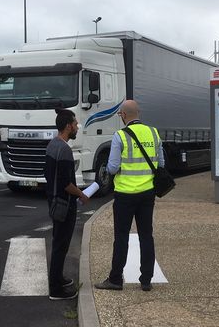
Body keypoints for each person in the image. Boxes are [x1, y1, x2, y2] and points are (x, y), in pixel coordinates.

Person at [95, 100, 164, 292]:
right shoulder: (154, 133)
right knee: (146, 236)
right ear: (138, 113)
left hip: (125, 194)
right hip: (147, 194)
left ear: (123, 115)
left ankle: (116, 279)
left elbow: (112, 167)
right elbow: (161, 163)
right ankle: (146, 280)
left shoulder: (120, 136)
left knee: (122, 237)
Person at [44, 109, 89, 300]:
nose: (77, 127)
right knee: (60, 245)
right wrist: (81, 194)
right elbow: (66, 183)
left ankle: (58, 278)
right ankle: (56, 290)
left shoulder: (52, 145)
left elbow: (48, 175)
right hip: (64, 204)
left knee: (58, 243)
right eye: (76, 124)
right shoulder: (64, 150)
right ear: (68, 126)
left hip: (54, 201)